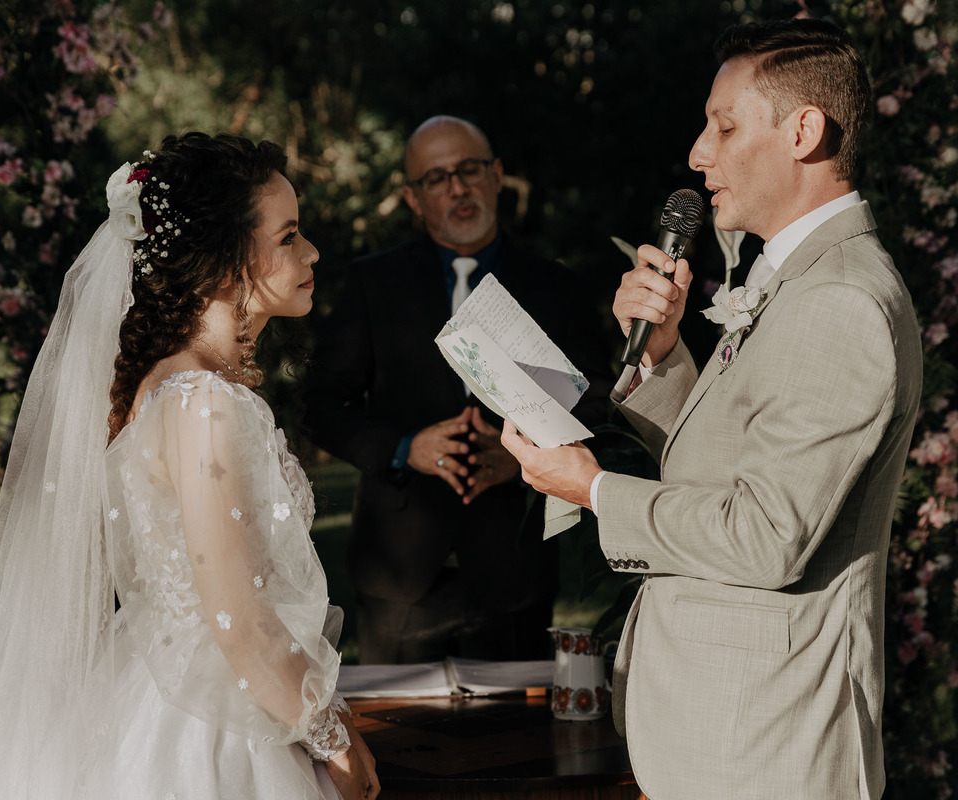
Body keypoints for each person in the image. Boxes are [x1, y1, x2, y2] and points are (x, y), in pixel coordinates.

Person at [501, 19, 922, 800]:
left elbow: (765, 537)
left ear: (803, 132)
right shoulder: (797, 278)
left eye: (724, 127)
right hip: (725, 732)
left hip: (767, 743)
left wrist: (594, 491)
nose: (698, 154)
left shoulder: (840, 300)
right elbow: (726, 463)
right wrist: (660, 357)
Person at [0, 133, 378, 800]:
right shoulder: (203, 403)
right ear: (223, 264)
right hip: (212, 735)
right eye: (288, 237)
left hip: (171, 696)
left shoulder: (168, 385)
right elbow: (239, 624)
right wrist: (336, 743)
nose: (311, 251)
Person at [302, 116, 612, 664]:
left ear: (496, 175)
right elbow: (321, 404)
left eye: (469, 169)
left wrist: (524, 458)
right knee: (399, 721)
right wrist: (405, 448)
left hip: (515, 569)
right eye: (436, 178)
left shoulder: (557, 287)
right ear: (413, 197)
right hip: (399, 572)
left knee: (516, 722)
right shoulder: (373, 283)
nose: (457, 188)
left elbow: (597, 405)